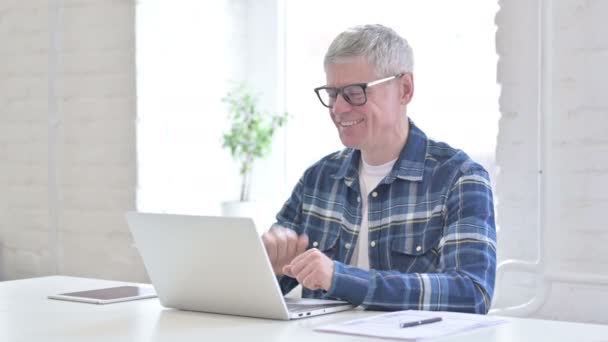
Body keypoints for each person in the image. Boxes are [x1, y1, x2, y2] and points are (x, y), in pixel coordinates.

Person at [262, 24, 496, 314]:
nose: (338, 109)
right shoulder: (318, 179)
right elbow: (264, 290)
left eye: (354, 93)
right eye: (333, 94)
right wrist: (269, 268)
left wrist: (341, 278)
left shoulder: (459, 178)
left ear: (405, 89)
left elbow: (471, 293)